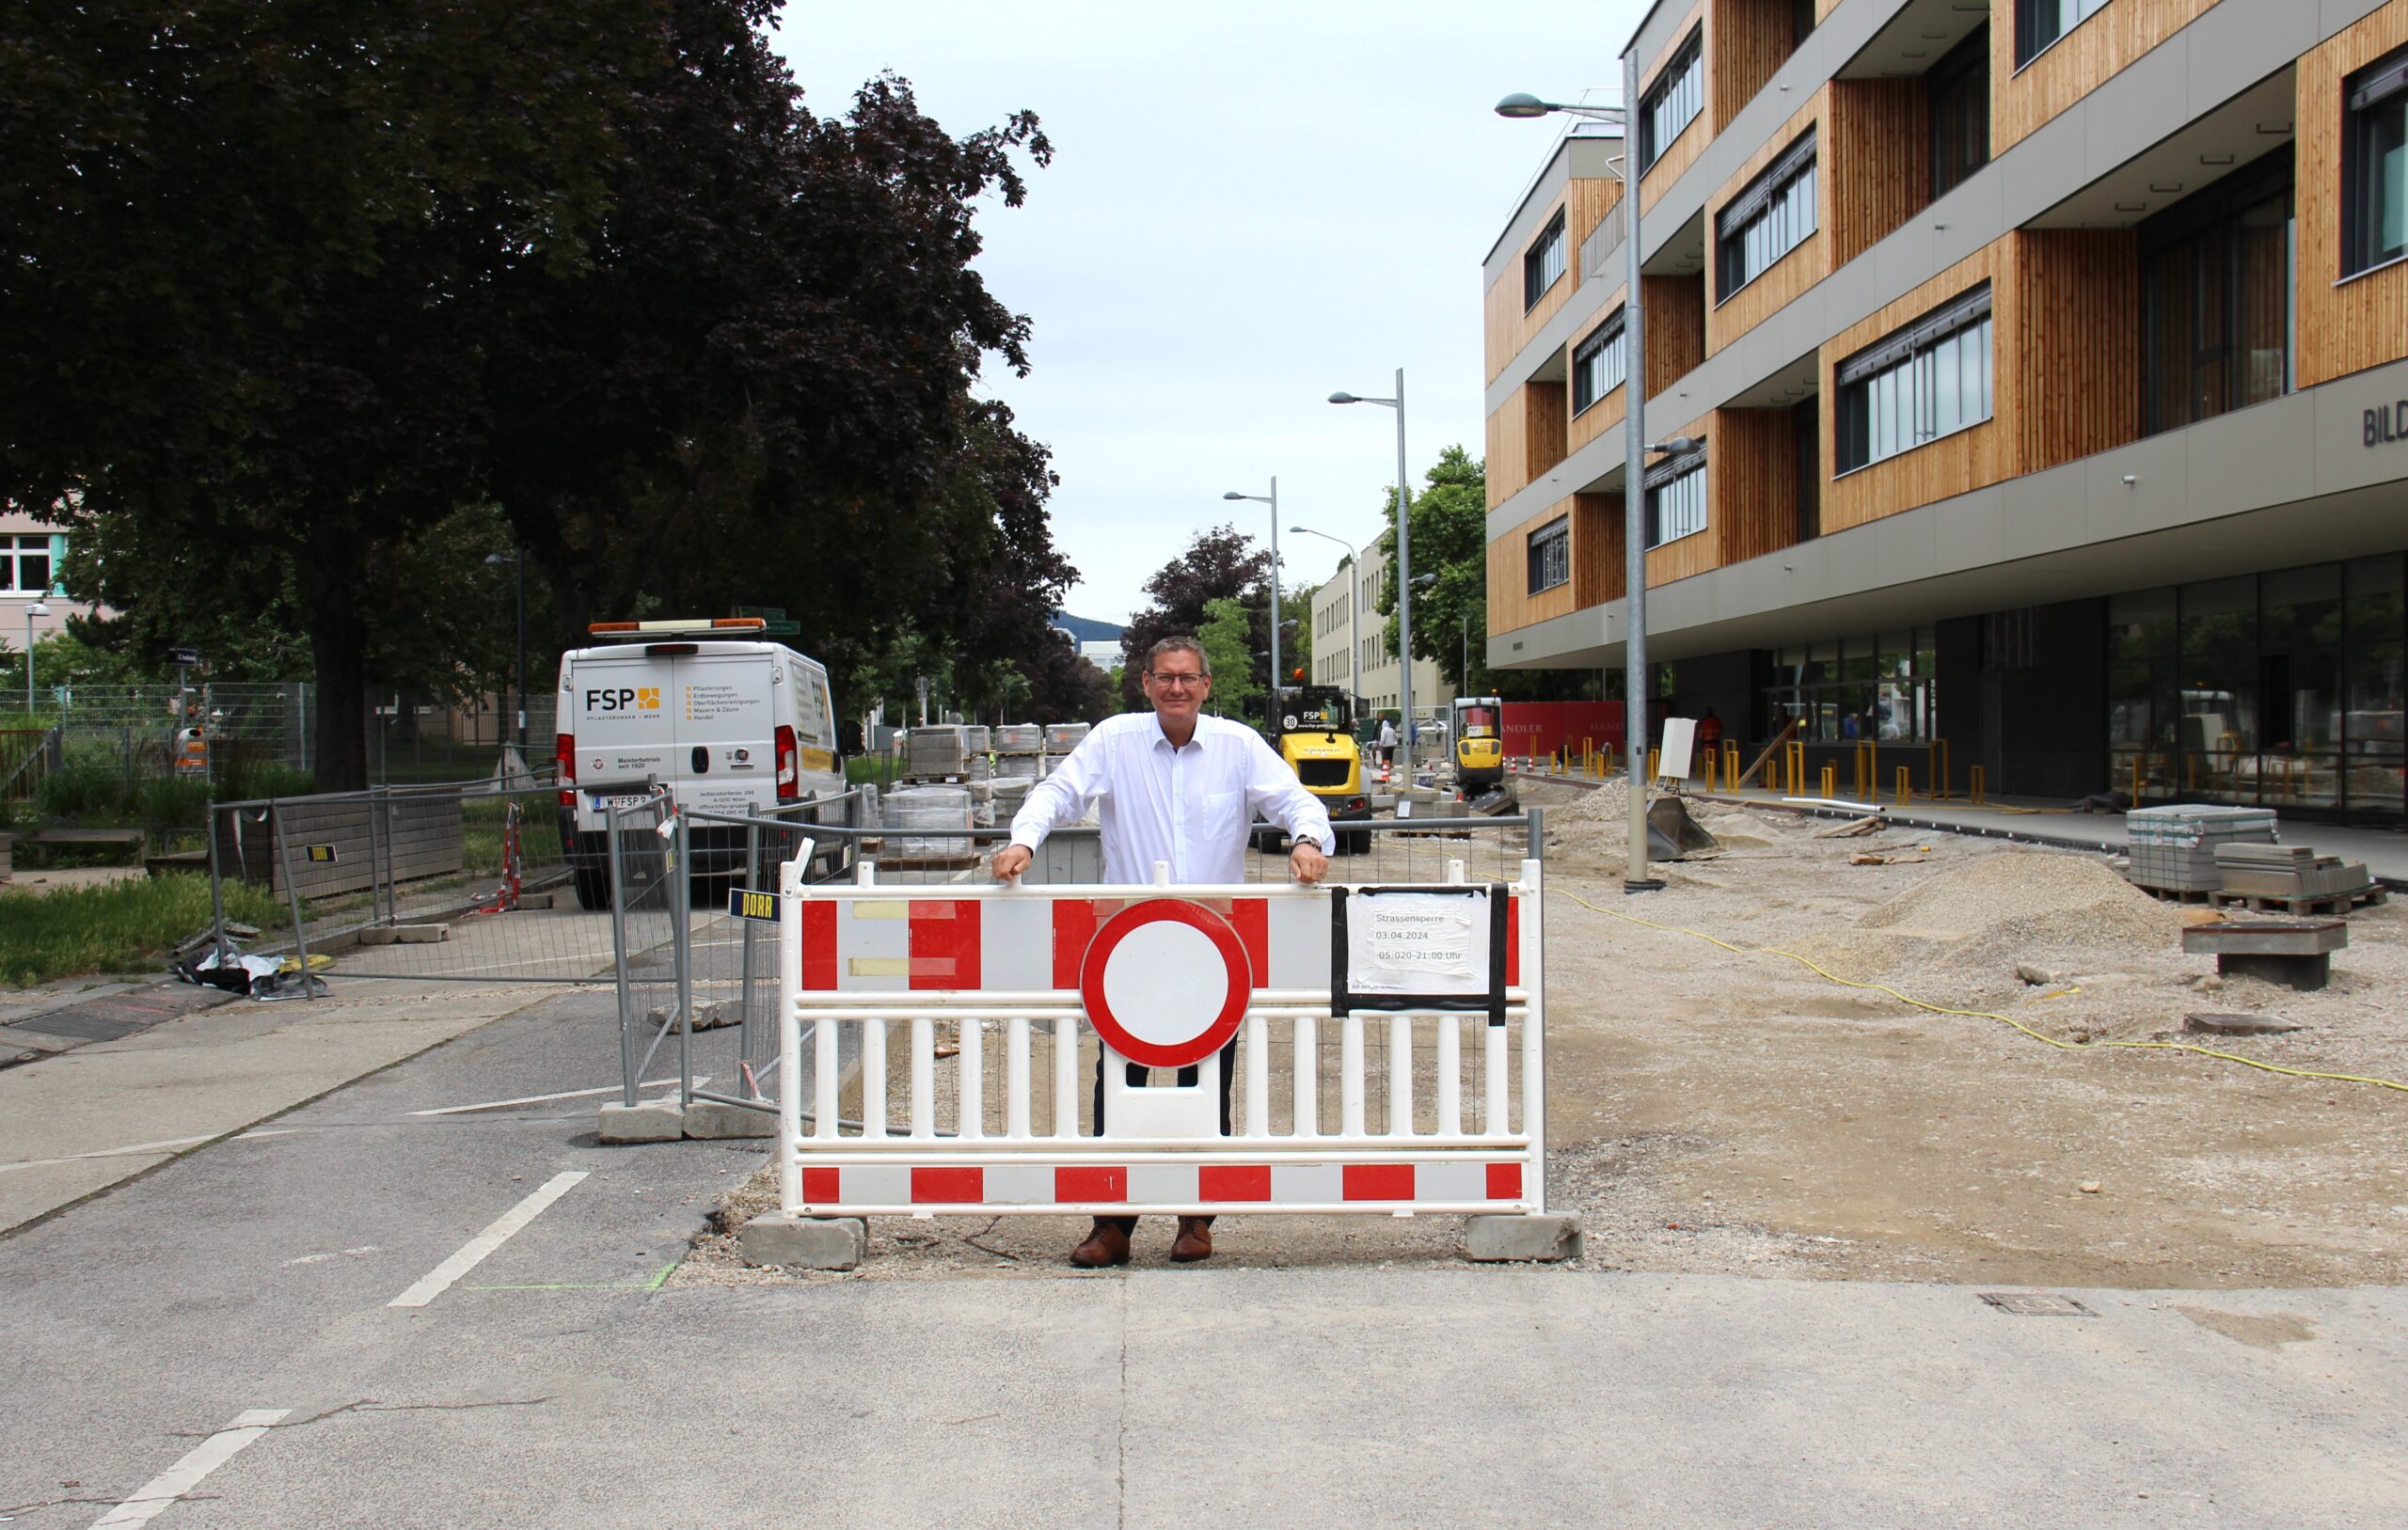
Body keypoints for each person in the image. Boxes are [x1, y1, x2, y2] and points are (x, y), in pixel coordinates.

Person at [991, 636, 1334, 1269]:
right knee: (1119, 1078)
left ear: (1207, 685)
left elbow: (1295, 800)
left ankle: (1195, 1217)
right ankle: (1112, 1222)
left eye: (1188, 678)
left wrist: (1307, 840)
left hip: (1213, 945)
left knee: (1209, 1076)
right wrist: (1024, 842)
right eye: (1165, 678)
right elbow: (1057, 792)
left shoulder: (1236, 746)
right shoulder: (1115, 740)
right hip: (1131, 946)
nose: (1176, 688)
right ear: (1145, 683)